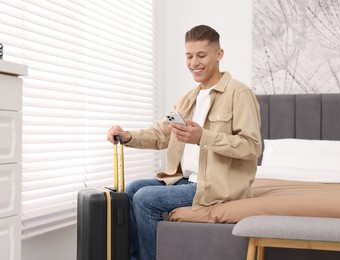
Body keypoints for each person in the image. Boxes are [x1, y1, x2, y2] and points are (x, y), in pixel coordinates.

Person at [107, 24, 262, 260]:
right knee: (132, 189)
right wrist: (128, 136)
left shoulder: (239, 93)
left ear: (219, 55)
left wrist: (204, 138)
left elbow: (251, 146)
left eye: (201, 55)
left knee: (145, 198)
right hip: (183, 181)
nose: (194, 63)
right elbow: (162, 134)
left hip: (216, 186)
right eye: (189, 56)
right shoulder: (186, 99)